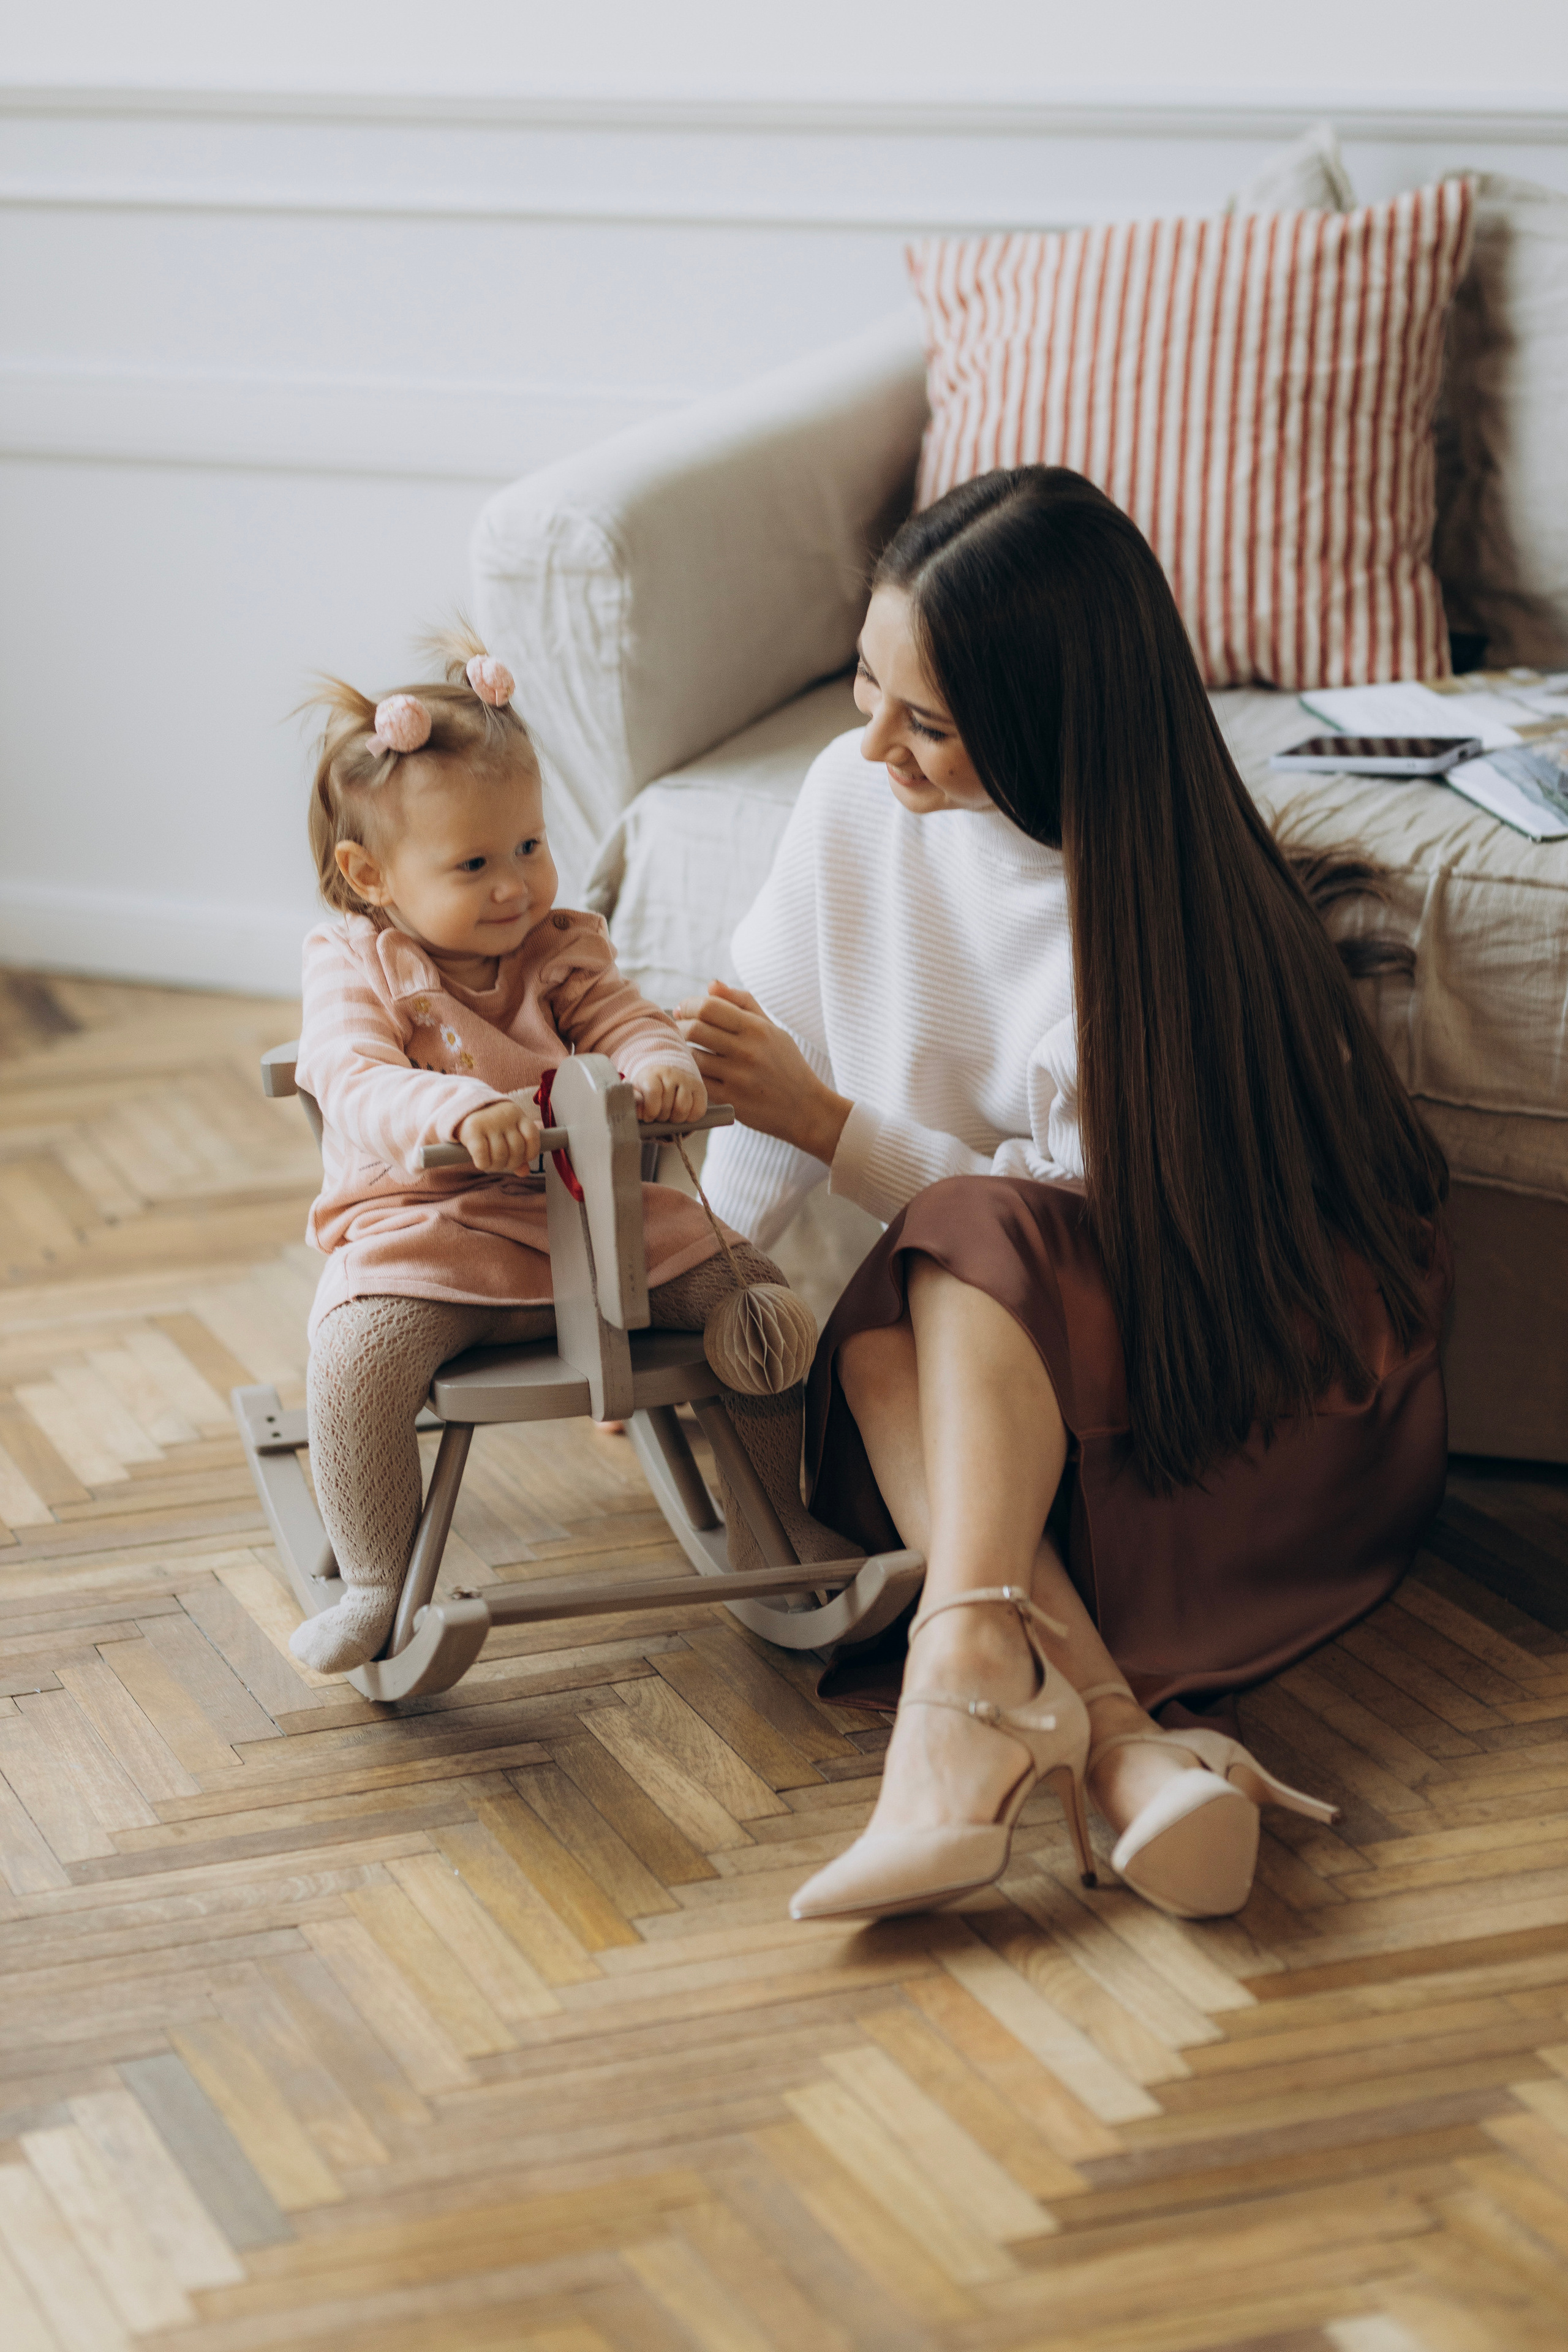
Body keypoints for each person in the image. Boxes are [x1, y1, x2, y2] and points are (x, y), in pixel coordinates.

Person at [680, 469, 1450, 1922]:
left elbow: (1061, 1234)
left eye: (928, 724)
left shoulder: (1144, 919)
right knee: (870, 1336)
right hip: (1003, 1328)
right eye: (865, 684)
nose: (872, 746)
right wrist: (700, 1278)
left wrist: (833, 1121)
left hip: (1229, 1355)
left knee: (953, 1248)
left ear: (1045, 731)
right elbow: (768, 1048)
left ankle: (957, 1703)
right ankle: (1112, 1753)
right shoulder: (851, 800)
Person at [290, 627, 838, 1673]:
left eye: (531, 847)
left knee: (753, 1297)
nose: (516, 886)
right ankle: (373, 1578)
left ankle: (783, 1514)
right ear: (372, 875)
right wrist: (451, 1111)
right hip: (434, 1228)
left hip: (594, 1220)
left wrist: (658, 1060)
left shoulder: (559, 946)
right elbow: (352, 1080)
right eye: (475, 864)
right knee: (356, 1361)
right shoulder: (357, 962)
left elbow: (623, 1019)